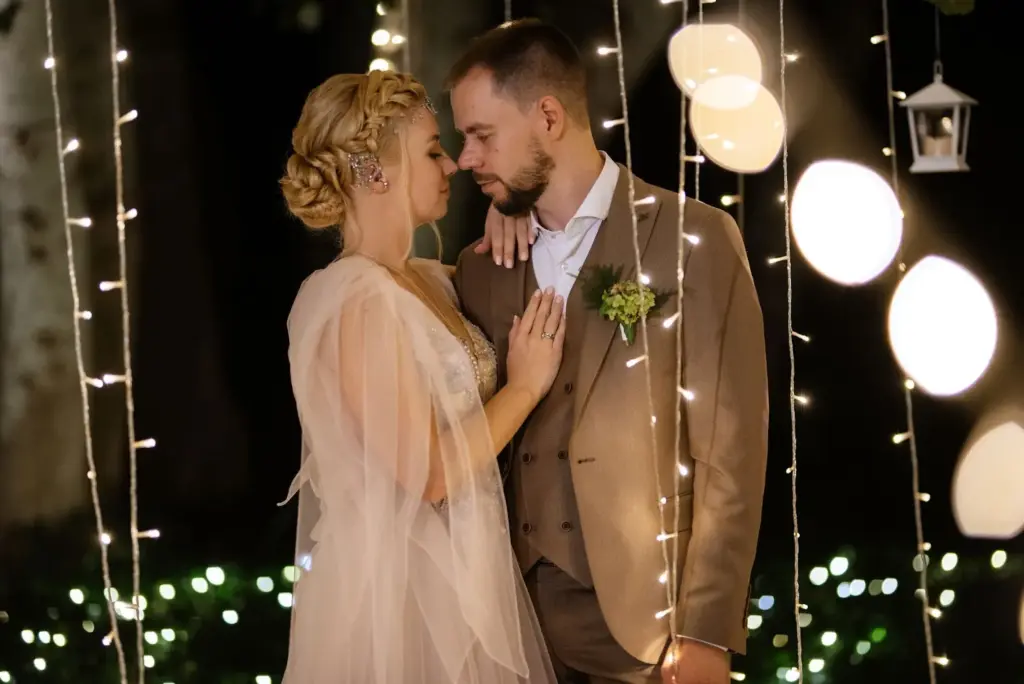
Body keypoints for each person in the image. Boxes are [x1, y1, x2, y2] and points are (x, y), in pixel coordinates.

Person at [448, 19, 769, 684]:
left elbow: (729, 453)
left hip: (646, 628)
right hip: (509, 626)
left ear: (547, 115)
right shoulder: (479, 268)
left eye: (482, 135)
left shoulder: (696, 240)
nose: (466, 159)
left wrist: (706, 633)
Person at [277, 70, 561, 683]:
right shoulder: (354, 300)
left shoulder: (427, 279)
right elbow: (428, 475)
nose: (454, 165)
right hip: (404, 595)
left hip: (468, 568)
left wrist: (506, 216)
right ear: (377, 171)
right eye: (432, 151)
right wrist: (525, 387)